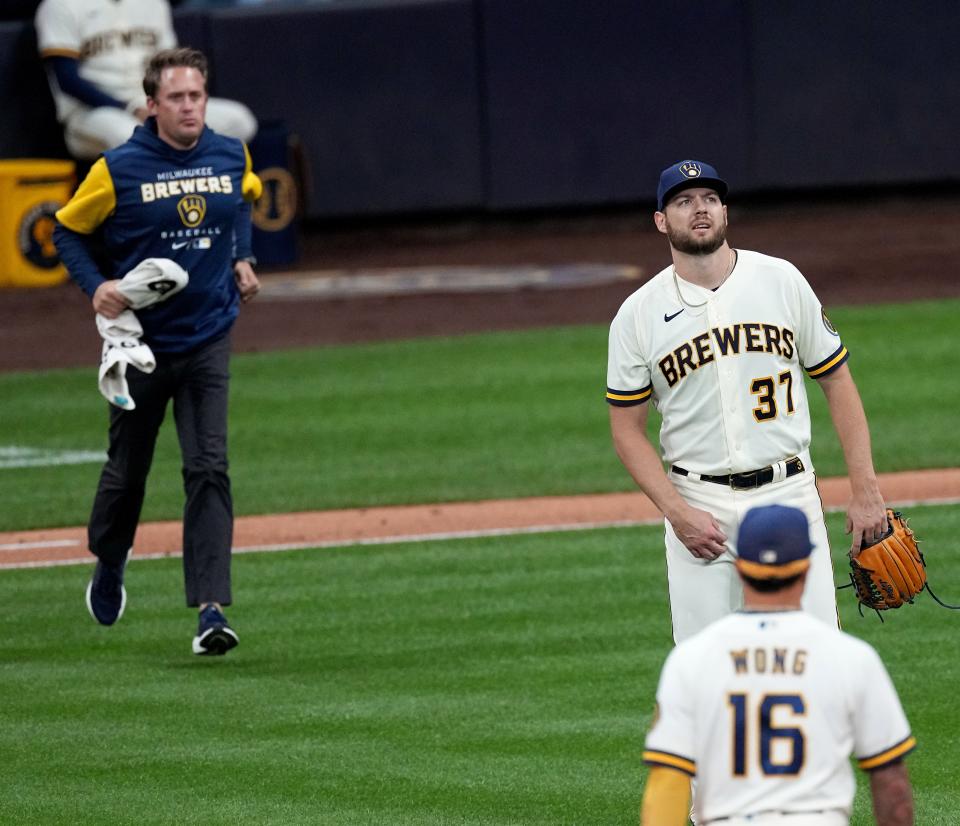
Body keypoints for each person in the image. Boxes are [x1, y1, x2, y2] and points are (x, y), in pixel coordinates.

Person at [606, 159, 887, 643]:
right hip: (699, 507)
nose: (700, 209)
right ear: (661, 220)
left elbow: (837, 382)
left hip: (789, 494)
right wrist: (677, 513)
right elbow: (626, 431)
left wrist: (865, 489)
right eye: (684, 201)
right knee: (704, 675)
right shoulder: (637, 315)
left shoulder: (780, 280)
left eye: (710, 199)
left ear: (725, 212)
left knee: (815, 660)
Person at [52, 46, 262, 655]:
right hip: (140, 346)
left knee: (208, 468)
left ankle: (211, 611)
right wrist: (99, 288)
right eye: (177, 97)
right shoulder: (117, 169)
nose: (190, 105)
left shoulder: (229, 153)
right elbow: (66, 229)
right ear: (152, 105)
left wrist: (242, 255)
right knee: (127, 473)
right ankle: (111, 560)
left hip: (208, 337)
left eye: (196, 94)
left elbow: (240, 197)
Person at [641, 503, 915, 826]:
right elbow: (893, 787)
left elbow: (665, 789)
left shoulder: (690, 662)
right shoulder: (852, 659)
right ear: (807, 568)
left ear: (740, 566)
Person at [35, 0, 257, 160]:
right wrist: (132, 107)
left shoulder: (154, 4)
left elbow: (170, 67)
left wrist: (172, 103)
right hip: (91, 112)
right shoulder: (58, 5)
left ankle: (197, 191)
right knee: (131, 136)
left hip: (153, 103)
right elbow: (67, 80)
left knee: (239, 121)